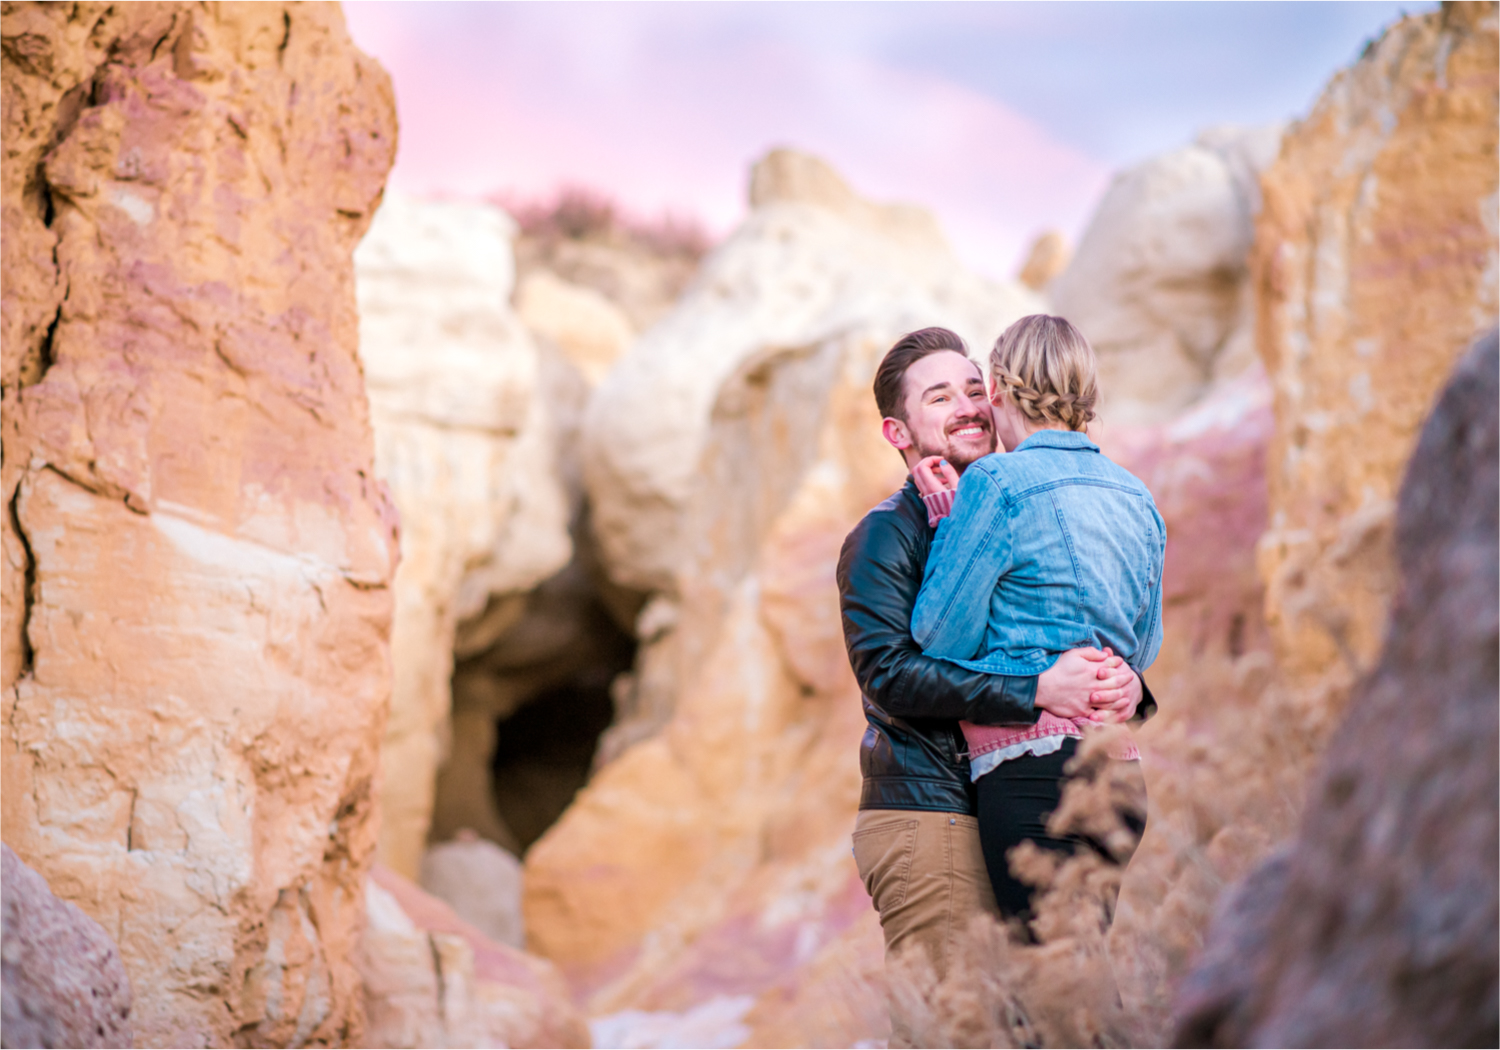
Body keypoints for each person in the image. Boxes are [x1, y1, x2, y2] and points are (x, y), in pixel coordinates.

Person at [836, 327, 1149, 1044]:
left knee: (1041, 1016)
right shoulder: (888, 533)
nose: (968, 407)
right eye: (939, 397)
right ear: (897, 433)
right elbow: (890, 674)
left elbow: (1074, 631)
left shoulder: (1011, 507)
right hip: (932, 812)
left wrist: (1131, 685)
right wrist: (1035, 690)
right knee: (961, 1028)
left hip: (1008, 794)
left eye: (974, 389)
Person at [910, 313, 1163, 923]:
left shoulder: (996, 481)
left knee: (1046, 966)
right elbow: (1143, 647)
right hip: (1120, 771)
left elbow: (937, 636)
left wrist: (947, 522)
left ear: (998, 388)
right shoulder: (1136, 494)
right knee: (1085, 958)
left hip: (1033, 769)